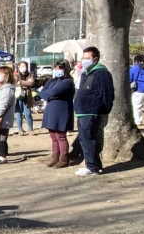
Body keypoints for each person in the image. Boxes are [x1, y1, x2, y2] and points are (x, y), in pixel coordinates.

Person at [73, 46, 115, 177]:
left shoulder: (101, 73)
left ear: (95, 59)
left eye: (87, 58)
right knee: (84, 139)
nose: (84, 60)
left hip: (91, 112)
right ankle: (93, 164)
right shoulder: (86, 73)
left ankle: (91, 167)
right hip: (82, 111)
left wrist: (101, 110)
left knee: (89, 139)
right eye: (83, 58)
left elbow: (107, 94)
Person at [39, 60, 75, 168]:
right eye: (56, 68)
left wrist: (48, 94)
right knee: (53, 136)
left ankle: (64, 159)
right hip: (51, 110)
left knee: (61, 136)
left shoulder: (68, 82)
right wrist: (48, 94)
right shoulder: (52, 81)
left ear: (65, 69)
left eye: (60, 68)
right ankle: (55, 156)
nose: (57, 70)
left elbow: (52, 93)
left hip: (62, 111)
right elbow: (43, 93)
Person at [13, 61, 36, 135]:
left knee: (28, 113)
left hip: (27, 96)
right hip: (18, 96)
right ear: (18, 67)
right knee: (18, 114)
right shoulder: (15, 74)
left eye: (25, 66)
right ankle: (20, 130)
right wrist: (26, 82)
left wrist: (21, 82)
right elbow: (15, 82)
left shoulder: (30, 74)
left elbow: (31, 83)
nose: (23, 68)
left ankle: (31, 129)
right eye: (22, 66)